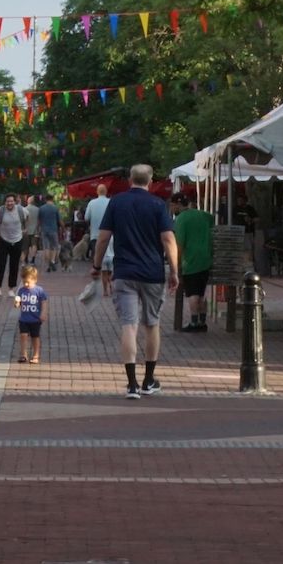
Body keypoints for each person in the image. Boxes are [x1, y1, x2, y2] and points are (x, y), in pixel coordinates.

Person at [91, 164, 179, 401]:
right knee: (152, 324)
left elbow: (103, 238)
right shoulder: (158, 205)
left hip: (124, 272)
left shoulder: (116, 203)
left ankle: (131, 384)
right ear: (150, 181)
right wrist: (174, 270)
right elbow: (168, 239)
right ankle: (149, 380)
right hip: (152, 273)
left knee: (129, 326)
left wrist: (97, 267)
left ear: (130, 179)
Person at [171, 192, 214, 332]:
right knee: (202, 293)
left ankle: (194, 323)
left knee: (192, 294)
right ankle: (203, 321)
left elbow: (179, 245)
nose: (171, 208)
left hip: (190, 260)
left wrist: (176, 265)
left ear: (178, 204)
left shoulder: (181, 219)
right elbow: (213, 220)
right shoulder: (204, 215)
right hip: (206, 259)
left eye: (172, 205)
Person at [0, 194, 26, 297]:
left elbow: (27, 217)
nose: (9, 203)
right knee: (1, 264)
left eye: (11, 201)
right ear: (5, 202)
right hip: (3, 240)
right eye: (7, 201)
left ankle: (11, 288)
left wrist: (24, 229)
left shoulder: (21, 210)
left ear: (15, 202)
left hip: (17, 240)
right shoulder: (0, 210)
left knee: (14, 265)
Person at [13, 265, 48, 363]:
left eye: (28, 282)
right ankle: (23, 354)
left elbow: (44, 302)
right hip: (24, 318)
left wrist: (43, 312)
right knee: (23, 335)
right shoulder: (21, 291)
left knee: (35, 337)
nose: (26, 284)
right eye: (24, 282)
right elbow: (18, 304)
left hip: (35, 319)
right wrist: (16, 303)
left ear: (34, 280)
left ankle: (36, 355)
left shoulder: (39, 291)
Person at [84, 183, 114, 295]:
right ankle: (110, 284)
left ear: (97, 192)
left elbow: (86, 217)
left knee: (98, 262)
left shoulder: (92, 203)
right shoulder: (111, 202)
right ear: (106, 192)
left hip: (95, 236)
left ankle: (102, 288)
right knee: (111, 261)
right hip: (110, 236)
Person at [36, 196, 62, 271]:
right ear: (52, 199)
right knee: (53, 247)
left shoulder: (41, 208)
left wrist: (37, 229)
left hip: (44, 230)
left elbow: (39, 220)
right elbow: (59, 220)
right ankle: (52, 261)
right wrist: (62, 228)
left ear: (45, 200)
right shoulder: (55, 208)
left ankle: (48, 264)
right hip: (53, 229)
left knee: (46, 247)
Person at [20, 195, 40, 266]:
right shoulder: (38, 209)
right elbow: (39, 220)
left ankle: (25, 260)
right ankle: (33, 260)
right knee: (34, 245)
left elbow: (22, 220)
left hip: (25, 230)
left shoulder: (24, 209)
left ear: (28, 201)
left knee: (25, 246)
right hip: (35, 230)